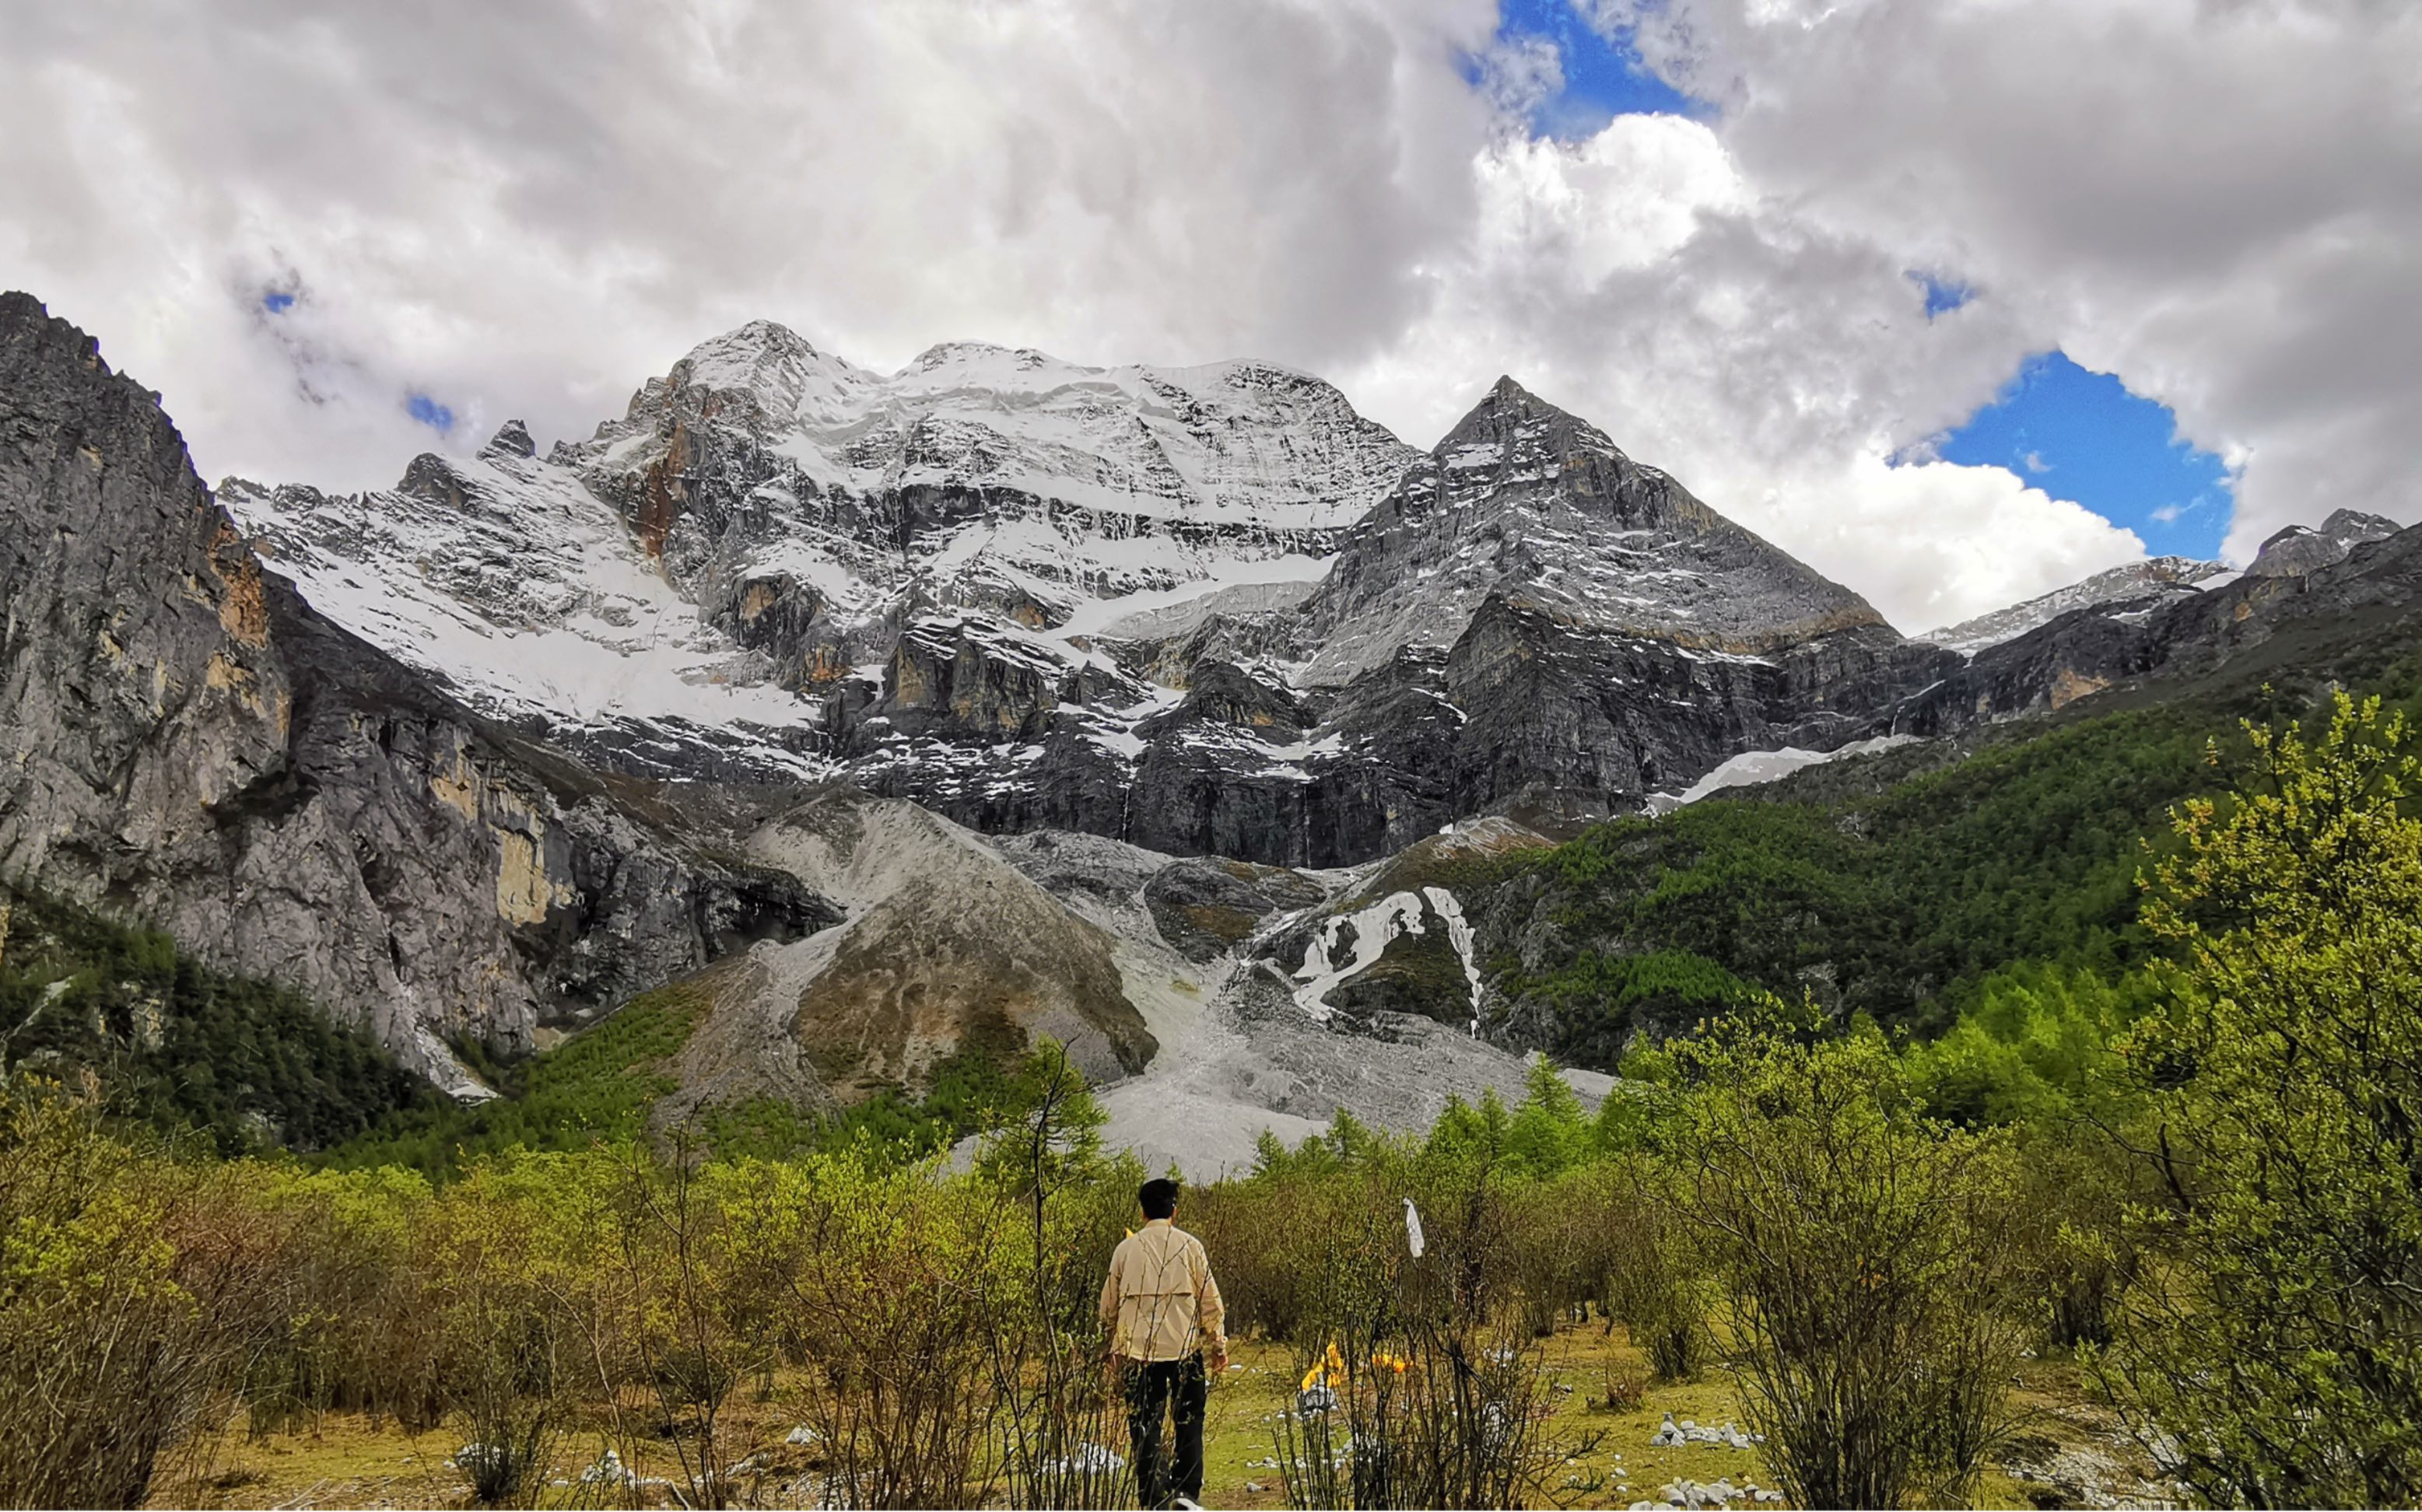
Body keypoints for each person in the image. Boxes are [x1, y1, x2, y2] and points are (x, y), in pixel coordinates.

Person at [1101, 1176, 1227, 1510]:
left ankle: (1154, 1498)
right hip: (1184, 1350)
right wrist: (1218, 1346)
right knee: (1189, 1421)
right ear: (1175, 1211)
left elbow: (1108, 1306)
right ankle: (1186, 1494)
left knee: (1145, 1426)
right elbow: (1211, 1303)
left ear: (1143, 1212)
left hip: (1137, 1353)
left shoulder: (1125, 1250)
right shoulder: (1191, 1247)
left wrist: (1111, 1346)